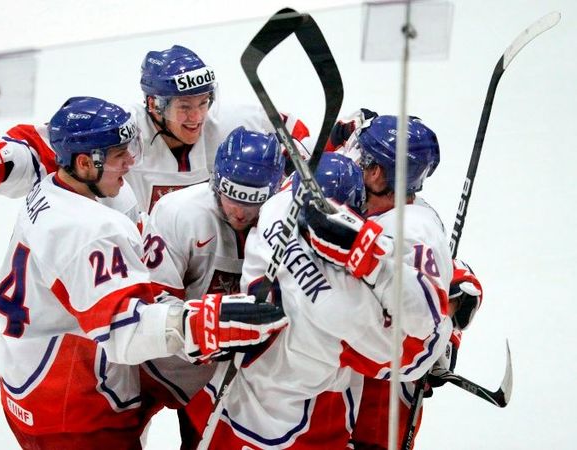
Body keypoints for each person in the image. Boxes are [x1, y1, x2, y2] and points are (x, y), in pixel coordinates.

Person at [0, 96, 288, 450]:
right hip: (74, 406)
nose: (131, 161)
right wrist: (209, 322)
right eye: (120, 155)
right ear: (86, 163)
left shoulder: (52, 190)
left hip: (28, 378)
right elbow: (125, 333)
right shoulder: (92, 231)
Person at [189, 117, 453, 448]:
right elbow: (416, 351)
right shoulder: (344, 301)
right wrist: (445, 330)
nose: (351, 153)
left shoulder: (282, 202)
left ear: (376, 173)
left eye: (361, 152)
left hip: (236, 394)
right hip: (304, 416)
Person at [0, 44, 310, 215]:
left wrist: (329, 144)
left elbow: (293, 128)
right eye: (184, 106)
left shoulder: (231, 121)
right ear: (154, 105)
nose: (196, 115)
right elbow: (50, 146)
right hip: (145, 260)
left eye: (202, 102)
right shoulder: (123, 130)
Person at [325, 113, 484, 450]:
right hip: (343, 377)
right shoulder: (378, 202)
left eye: (365, 159)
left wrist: (447, 337)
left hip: (381, 395)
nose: (358, 164)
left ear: (380, 172)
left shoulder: (411, 231)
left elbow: (437, 302)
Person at [138, 126, 286, 447]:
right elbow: (152, 308)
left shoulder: (284, 218)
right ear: (215, 181)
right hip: (155, 364)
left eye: (253, 203)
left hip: (222, 379)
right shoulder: (178, 212)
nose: (240, 212)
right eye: (231, 196)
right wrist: (213, 328)